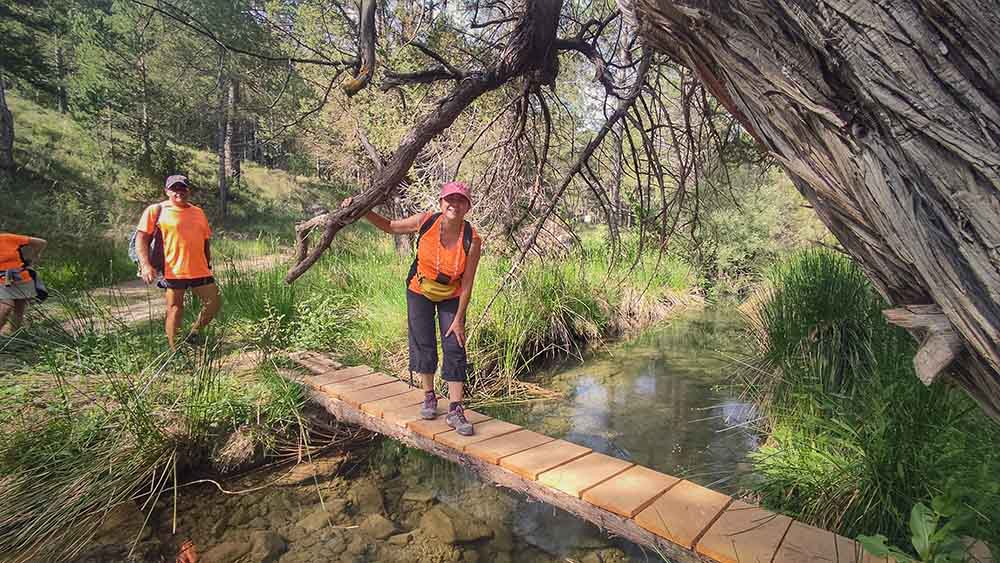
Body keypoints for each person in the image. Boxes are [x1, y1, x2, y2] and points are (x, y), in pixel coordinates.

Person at [345, 181, 483, 436]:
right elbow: (389, 227)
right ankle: (429, 396)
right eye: (449, 199)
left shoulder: (472, 239)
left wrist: (460, 318)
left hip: (452, 293)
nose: (454, 204)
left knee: (455, 344)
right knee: (423, 341)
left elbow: (468, 283)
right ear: (441, 203)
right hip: (419, 289)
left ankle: (455, 409)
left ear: (467, 206)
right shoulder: (426, 221)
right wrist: (362, 210)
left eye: (460, 200)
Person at [136, 175, 221, 350]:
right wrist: (145, 265)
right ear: (167, 191)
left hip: (200, 270)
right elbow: (141, 238)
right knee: (175, 309)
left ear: (188, 190)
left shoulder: (198, 212)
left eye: (182, 188)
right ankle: (175, 351)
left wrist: (208, 263)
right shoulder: (156, 210)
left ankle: (194, 333)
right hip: (173, 270)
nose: (178, 192)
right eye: (174, 189)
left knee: (214, 303)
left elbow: (205, 241)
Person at [0, 232, 46, 336]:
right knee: (6, 306)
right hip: (1, 280)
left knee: (19, 309)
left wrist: (33, 258)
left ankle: (14, 336)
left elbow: (41, 242)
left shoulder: (7, 238)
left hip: (22, 277)